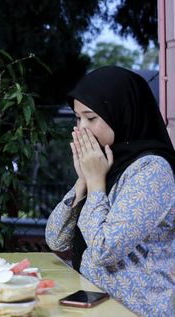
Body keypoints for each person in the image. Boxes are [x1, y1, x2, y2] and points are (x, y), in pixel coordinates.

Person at [45, 66, 175, 316]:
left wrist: (95, 182)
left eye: (91, 118)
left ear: (122, 113)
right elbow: (56, 239)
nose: (82, 129)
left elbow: (105, 250)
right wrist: (82, 181)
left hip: (135, 310)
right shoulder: (106, 163)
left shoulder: (152, 170)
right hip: (94, 304)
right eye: (77, 118)